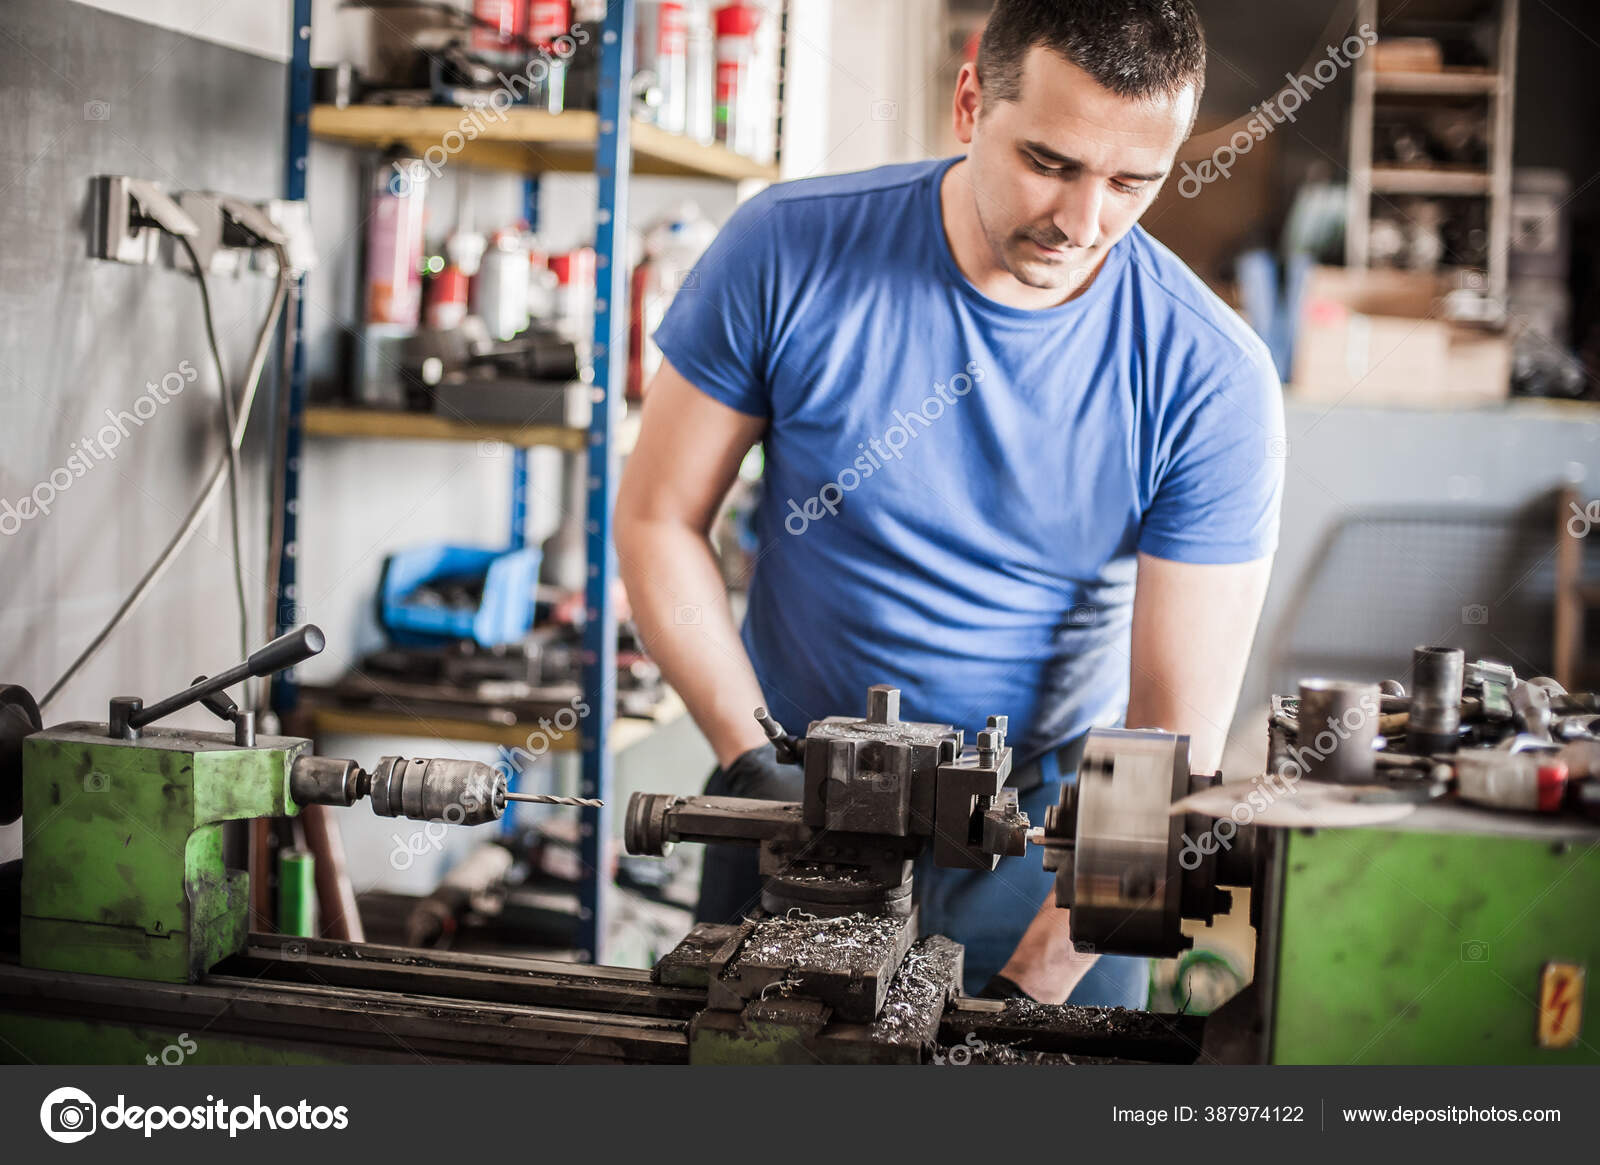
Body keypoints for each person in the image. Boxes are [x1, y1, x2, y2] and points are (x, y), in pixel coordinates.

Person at [615, 0, 1283, 1007]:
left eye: (1131, 182)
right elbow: (659, 515)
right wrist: (749, 756)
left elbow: (1163, 746)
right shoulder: (786, 249)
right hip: (789, 802)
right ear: (970, 101)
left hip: (1052, 844)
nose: (1082, 221)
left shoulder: (1210, 377)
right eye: (1050, 163)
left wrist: (1031, 990)